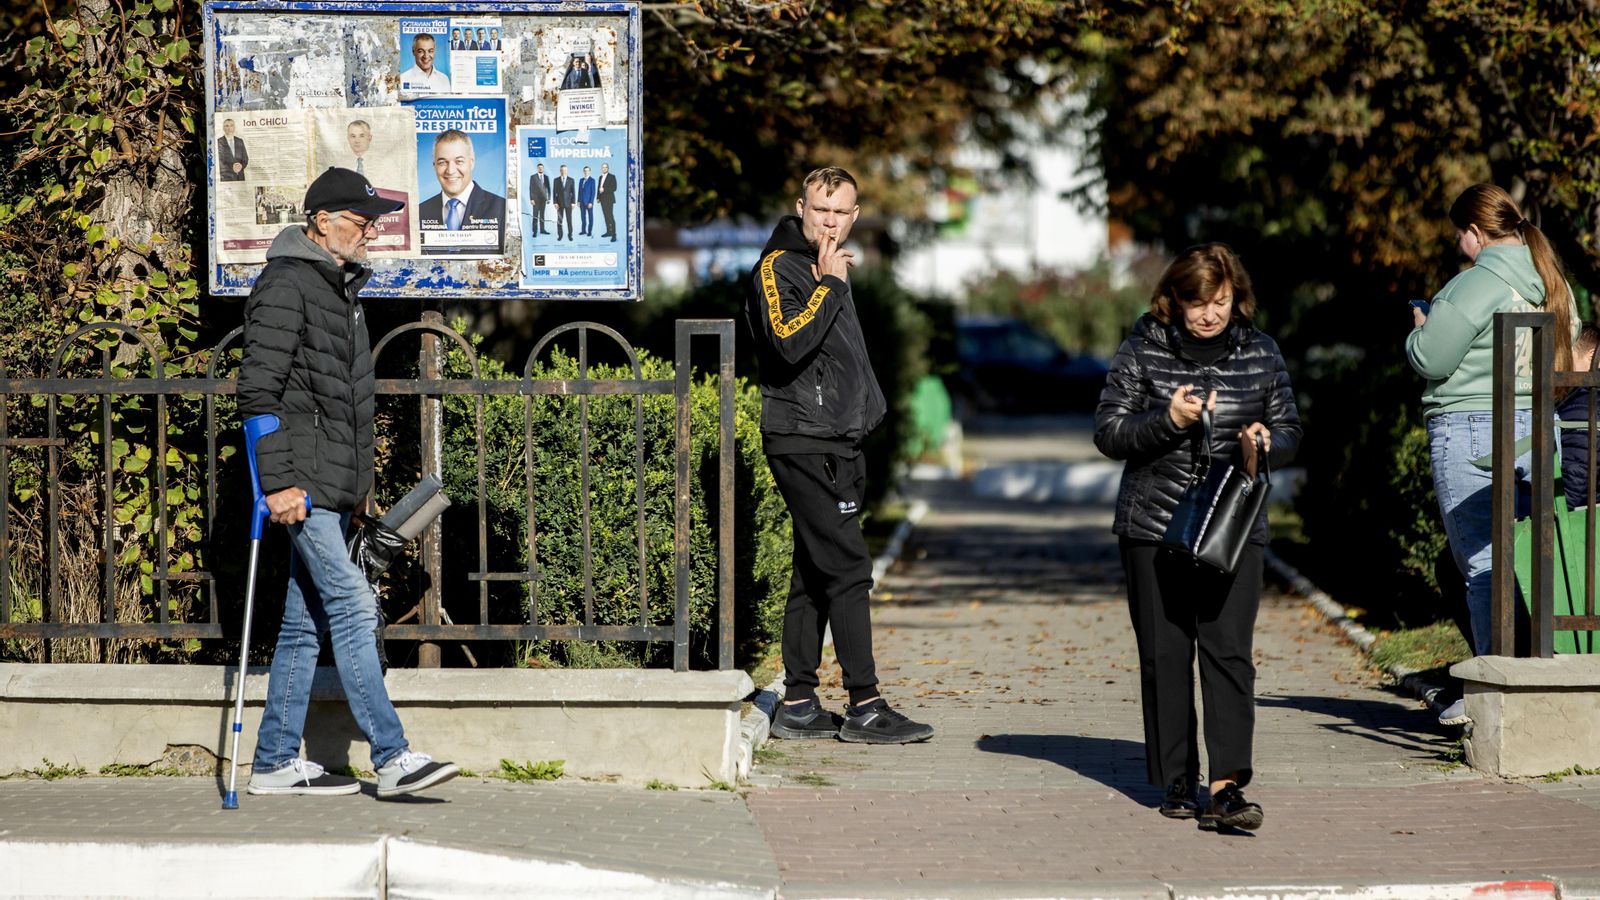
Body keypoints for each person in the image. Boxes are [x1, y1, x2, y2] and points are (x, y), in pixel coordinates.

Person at [238, 167, 460, 799]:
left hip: (329, 489)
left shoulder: (337, 288)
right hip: (300, 486)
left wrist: (355, 491)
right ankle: (392, 758)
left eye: (373, 222)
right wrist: (277, 483)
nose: (370, 232)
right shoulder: (288, 285)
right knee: (354, 604)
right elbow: (258, 392)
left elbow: (340, 403)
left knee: (305, 624)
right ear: (321, 223)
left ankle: (276, 762)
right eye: (361, 222)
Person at [1094, 243, 1302, 831]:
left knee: (1229, 652)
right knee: (1164, 653)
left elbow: (1290, 429)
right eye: (1196, 302)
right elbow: (1108, 432)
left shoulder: (1261, 352)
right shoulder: (1142, 348)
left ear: (1236, 298)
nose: (1209, 314)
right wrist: (1169, 421)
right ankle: (1178, 780)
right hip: (1152, 524)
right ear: (1174, 300)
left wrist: (1266, 442)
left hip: (1232, 525)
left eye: (1220, 301)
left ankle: (1228, 787)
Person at [743, 165, 934, 745]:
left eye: (840, 212)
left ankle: (798, 700)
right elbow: (787, 343)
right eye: (820, 209)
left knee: (815, 571)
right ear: (801, 206)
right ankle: (866, 703)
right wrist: (828, 285)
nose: (829, 221)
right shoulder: (781, 267)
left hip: (836, 438)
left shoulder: (824, 267)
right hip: (806, 439)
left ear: (854, 216)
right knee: (849, 568)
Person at [1407, 183, 1578, 725]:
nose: (1461, 245)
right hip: (1539, 428)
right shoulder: (1554, 282)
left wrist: (1418, 331)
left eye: (1461, 235)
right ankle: (1541, 683)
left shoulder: (1472, 285)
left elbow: (1432, 360)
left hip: (1472, 427)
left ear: (1475, 233)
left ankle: (1491, 697)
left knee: (1482, 564)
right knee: (1536, 558)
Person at [418, 130, 505, 253]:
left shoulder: (501, 208)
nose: (451, 170)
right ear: (434, 166)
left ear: (471, 162)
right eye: (442, 162)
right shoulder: (418, 213)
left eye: (459, 161)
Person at [1558, 324, 1600, 511]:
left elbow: (1577, 474)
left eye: (1567, 355)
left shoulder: (1583, 401)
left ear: (1592, 356)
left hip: (1578, 517)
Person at [551, 164, 575, 241]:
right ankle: (560, 235)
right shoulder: (556, 180)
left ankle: (570, 235)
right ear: (560, 171)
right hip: (559, 204)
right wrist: (555, 202)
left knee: (569, 220)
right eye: (562, 170)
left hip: (568, 204)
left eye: (565, 170)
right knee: (559, 220)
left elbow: (573, 192)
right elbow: (554, 192)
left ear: (567, 171)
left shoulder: (571, 180)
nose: (563, 171)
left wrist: (573, 202)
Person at [528, 162, 550, 238]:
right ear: (537, 168)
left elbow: (548, 188)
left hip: (543, 199)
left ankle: (542, 230)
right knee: (535, 215)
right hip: (535, 200)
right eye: (539, 167)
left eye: (542, 167)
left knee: (542, 215)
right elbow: (531, 188)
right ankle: (534, 232)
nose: (540, 169)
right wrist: (531, 199)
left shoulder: (546, 177)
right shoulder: (533, 177)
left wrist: (548, 198)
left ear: (543, 168)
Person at [597, 163, 618, 241]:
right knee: (605, 216)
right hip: (602, 200)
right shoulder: (600, 177)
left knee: (610, 217)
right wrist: (598, 197)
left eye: (606, 167)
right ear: (602, 169)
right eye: (603, 167)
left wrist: (604, 189)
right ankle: (608, 232)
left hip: (609, 200)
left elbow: (614, 188)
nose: (604, 168)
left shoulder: (612, 177)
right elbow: (598, 188)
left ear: (608, 168)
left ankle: (614, 235)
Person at [577, 165, 596, 237]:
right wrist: (578, 201)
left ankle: (589, 231)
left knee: (590, 217)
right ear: (583, 171)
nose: (586, 172)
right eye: (585, 170)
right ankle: (583, 231)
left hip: (589, 203)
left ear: (589, 171)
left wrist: (591, 202)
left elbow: (593, 192)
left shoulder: (592, 180)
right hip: (581, 202)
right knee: (583, 217)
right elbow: (579, 191)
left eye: (587, 170)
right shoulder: (581, 180)